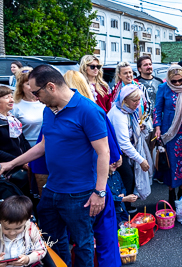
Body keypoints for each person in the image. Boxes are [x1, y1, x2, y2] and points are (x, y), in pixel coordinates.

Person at [0, 65, 110, 267]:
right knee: (51, 240)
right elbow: (44, 144)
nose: (34, 97)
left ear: (51, 87)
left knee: (83, 242)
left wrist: (100, 192)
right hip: (52, 189)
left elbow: (104, 152)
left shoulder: (89, 110)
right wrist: (11, 163)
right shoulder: (49, 110)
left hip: (79, 194)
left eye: (36, 92)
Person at [153, 65, 182, 206]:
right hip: (170, 132)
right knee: (171, 163)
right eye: (174, 81)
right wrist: (157, 128)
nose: (178, 84)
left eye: (180, 80)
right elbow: (157, 109)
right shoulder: (163, 88)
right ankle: (171, 194)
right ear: (168, 79)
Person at [108, 83, 152, 206]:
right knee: (127, 177)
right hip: (117, 152)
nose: (138, 103)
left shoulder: (127, 110)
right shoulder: (118, 115)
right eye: (134, 100)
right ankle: (123, 209)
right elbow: (124, 143)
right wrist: (141, 160)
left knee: (127, 177)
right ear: (124, 100)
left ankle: (125, 208)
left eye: (139, 100)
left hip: (121, 151)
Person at [0, 86, 31, 194]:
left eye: (11, 96)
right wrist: (19, 162)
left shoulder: (12, 119)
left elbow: (23, 141)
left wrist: (29, 157)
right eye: (7, 97)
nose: (12, 100)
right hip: (7, 171)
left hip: (19, 167)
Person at [0, 196, 47, 266]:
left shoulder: (31, 229)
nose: (12, 233)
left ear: (27, 219)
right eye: (6, 228)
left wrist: (28, 258)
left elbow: (41, 250)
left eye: (17, 228)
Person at [11, 67, 45, 147]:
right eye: (28, 84)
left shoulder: (45, 102)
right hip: (27, 148)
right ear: (21, 87)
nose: (33, 87)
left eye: (36, 83)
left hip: (48, 146)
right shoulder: (15, 106)